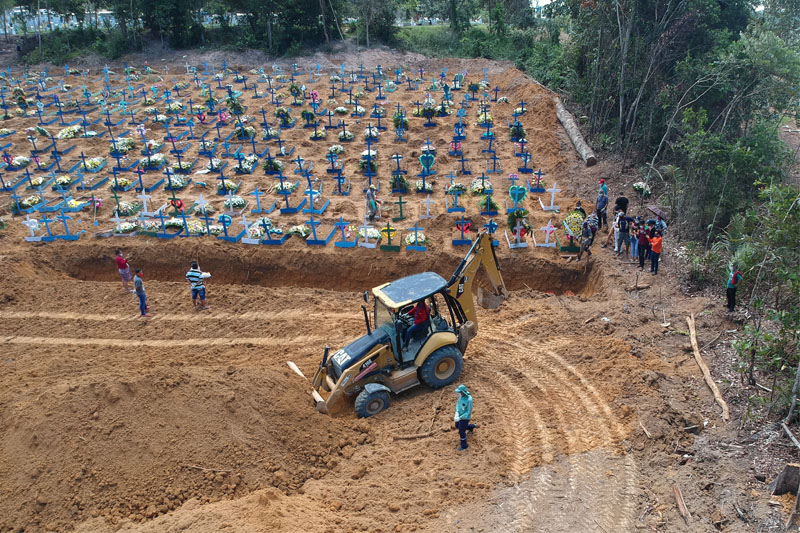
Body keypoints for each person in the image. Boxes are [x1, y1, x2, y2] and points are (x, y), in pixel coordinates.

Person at [454, 384, 476, 451]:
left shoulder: (469, 400)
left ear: (463, 392)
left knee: (461, 431)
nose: (459, 393)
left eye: (460, 392)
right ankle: (471, 426)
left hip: (465, 418)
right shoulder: (461, 396)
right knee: (457, 425)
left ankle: (464, 446)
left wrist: (460, 418)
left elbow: (468, 412)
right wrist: (457, 412)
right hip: (459, 415)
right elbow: (458, 404)